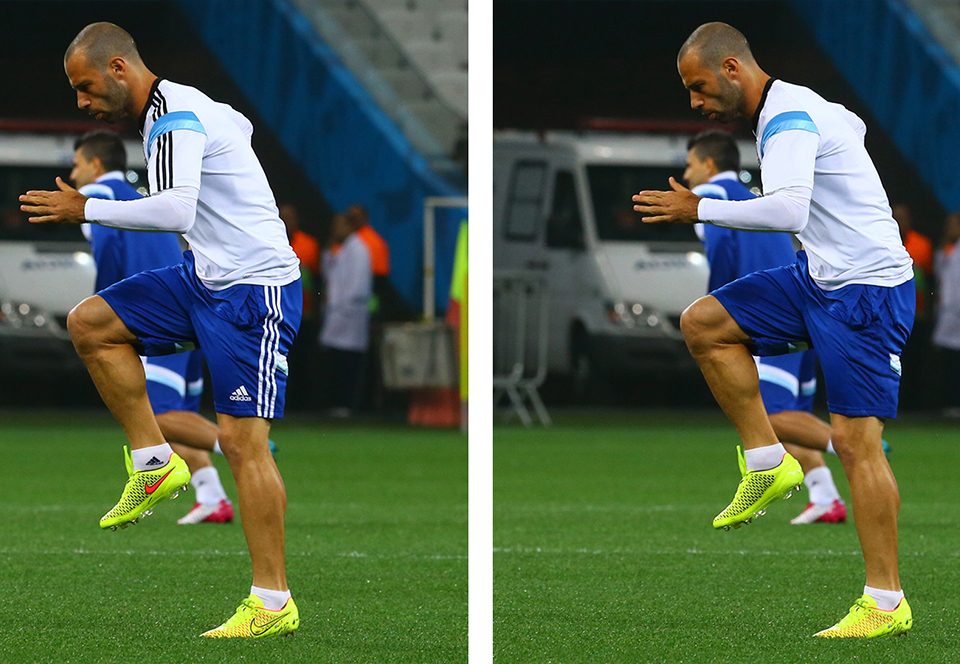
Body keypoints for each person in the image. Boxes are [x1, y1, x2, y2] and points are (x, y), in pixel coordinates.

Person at [632, 22, 915, 638]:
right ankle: (767, 460)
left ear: (733, 68)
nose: (696, 103)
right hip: (817, 277)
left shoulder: (786, 117)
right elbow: (852, 128)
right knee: (704, 323)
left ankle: (886, 603)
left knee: (856, 442)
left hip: (867, 292)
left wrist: (697, 206)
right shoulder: (803, 107)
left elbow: (788, 208)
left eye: (700, 87)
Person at [20, 23, 301, 638]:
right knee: (91, 323)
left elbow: (175, 208)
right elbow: (238, 127)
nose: (82, 102)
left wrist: (84, 205)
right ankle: (153, 460)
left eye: (86, 87)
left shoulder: (173, 116)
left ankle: (273, 603)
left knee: (242, 441)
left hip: (253, 290)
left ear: (120, 68)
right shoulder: (180, 111)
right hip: (202, 277)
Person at [71, 129, 234, 526]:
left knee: (153, 414)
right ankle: (212, 496)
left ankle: (239, 443)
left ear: (94, 164)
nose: (73, 175)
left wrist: (107, 312)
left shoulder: (99, 199)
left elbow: (110, 252)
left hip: (151, 316)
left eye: (76, 165)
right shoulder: (146, 199)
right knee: (167, 414)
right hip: (186, 306)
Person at [683, 129, 845, 525]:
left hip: (764, 316)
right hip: (798, 308)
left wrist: (718, 311)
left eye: (689, 166)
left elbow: (723, 250)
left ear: (707, 164)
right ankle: (825, 496)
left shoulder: (712, 199)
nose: (686, 176)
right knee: (777, 415)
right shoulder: (757, 200)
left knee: (765, 414)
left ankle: (853, 443)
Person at [320, 211, 372, 416]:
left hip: (348, 315)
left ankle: (347, 404)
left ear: (349, 227)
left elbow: (357, 286)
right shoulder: (344, 249)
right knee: (338, 359)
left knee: (348, 361)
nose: (334, 230)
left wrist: (342, 308)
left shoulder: (358, 249)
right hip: (339, 314)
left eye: (338, 225)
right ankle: (339, 403)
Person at [933, 213, 960, 416]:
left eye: (952, 225)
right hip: (949, 316)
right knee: (950, 362)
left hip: (956, 315)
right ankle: (951, 404)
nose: (948, 228)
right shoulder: (948, 250)